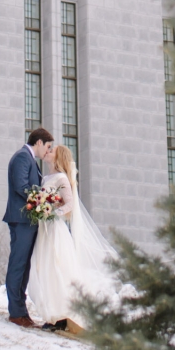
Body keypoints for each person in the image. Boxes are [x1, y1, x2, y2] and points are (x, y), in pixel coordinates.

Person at [28, 143, 118, 333]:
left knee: (57, 268)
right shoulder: (46, 177)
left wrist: (52, 212)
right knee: (45, 268)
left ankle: (62, 316)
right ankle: (53, 313)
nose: (48, 151)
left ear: (58, 157)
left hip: (55, 229)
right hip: (44, 229)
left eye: (51, 150)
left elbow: (69, 204)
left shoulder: (61, 178)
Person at [2, 127, 54, 328]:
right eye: (47, 146)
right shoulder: (23, 157)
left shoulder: (29, 159)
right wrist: (42, 200)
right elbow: (21, 185)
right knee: (18, 265)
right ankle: (16, 313)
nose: (47, 151)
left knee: (24, 266)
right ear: (39, 142)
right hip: (22, 219)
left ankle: (21, 311)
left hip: (28, 220)